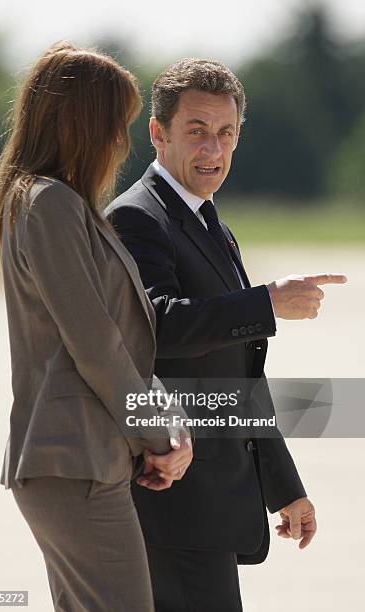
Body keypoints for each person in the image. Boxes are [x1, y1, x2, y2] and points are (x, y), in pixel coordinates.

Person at [105, 58, 347, 611]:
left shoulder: (208, 222)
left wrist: (283, 485)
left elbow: (237, 377)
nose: (212, 150)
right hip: (172, 500)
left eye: (225, 133)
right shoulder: (137, 217)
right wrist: (266, 302)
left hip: (211, 504)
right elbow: (155, 329)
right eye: (196, 132)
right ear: (157, 134)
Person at [0, 43, 192, 612]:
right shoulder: (48, 203)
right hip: (73, 460)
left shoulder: (53, 202)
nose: (121, 143)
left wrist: (165, 426)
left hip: (81, 459)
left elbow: (119, 341)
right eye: (116, 125)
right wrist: (158, 436)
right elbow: (96, 345)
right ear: (84, 123)